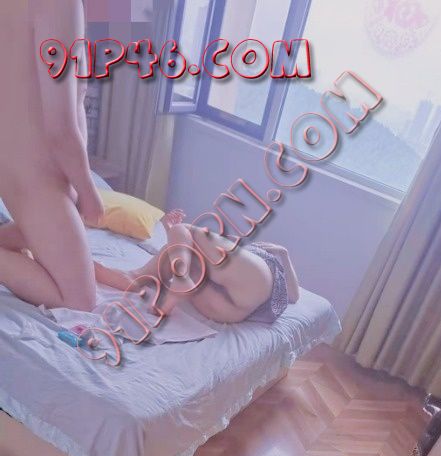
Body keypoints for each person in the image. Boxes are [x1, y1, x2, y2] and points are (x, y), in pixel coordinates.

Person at [0, 0, 102, 310]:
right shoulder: (59, 4)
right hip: (39, 177)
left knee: (52, 243)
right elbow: (60, 126)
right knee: (79, 299)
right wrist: (88, 191)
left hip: (21, 168)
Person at [95, 215, 300, 324]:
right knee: (178, 249)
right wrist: (173, 235)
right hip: (233, 312)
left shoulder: (262, 258)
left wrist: (283, 253)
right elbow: (293, 297)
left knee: (183, 229)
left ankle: (171, 278)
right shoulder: (234, 264)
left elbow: (294, 295)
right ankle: (169, 278)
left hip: (246, 292)